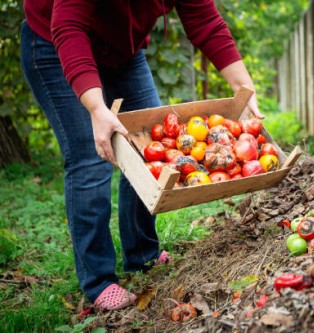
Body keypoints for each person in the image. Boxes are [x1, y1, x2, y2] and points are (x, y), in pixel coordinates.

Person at [20, 0, 263, 311]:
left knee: (145, 147)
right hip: (55, 44)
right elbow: (68, 25)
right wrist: (96, 108)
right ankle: (98, 280)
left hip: (122, 53)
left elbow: (205, 22)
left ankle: (142, 255)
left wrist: (245, 89)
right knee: (90, 158)